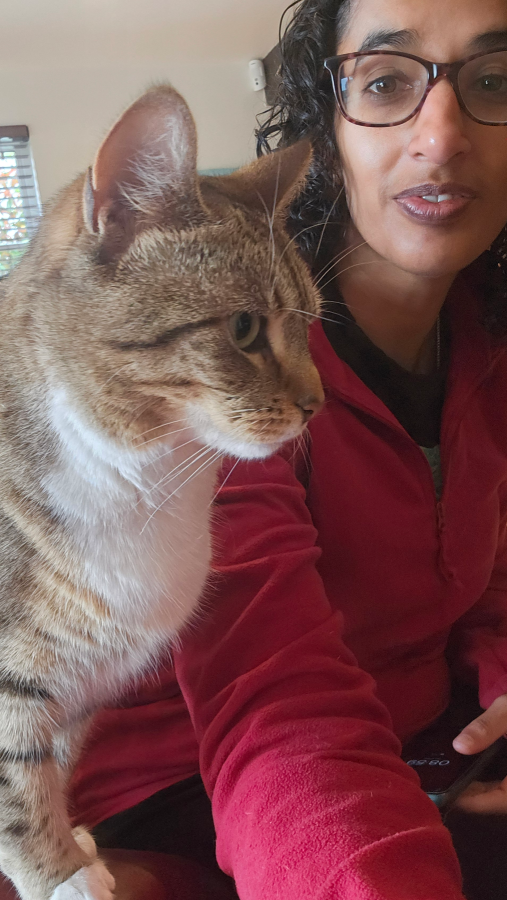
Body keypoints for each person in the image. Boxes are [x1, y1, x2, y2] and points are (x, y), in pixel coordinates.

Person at [25, 0, 507, 898]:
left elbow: (484, 575)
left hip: (430, 746)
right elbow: (274, 699)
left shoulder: (484, 336)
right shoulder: (208, 398)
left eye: (495, 81)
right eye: (385, 83)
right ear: (329, 125)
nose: (440, 138)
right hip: (204, 799)